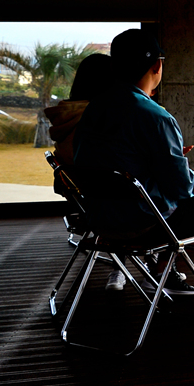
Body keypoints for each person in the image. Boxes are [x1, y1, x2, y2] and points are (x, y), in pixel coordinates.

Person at [73, 29, 194, 311]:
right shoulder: (155, 117)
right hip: (148, 227)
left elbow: (111, 165)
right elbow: (183, 189)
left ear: (114, 67)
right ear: (157, 65)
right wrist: (185, 171)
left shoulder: (93, 111)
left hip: (101, 224)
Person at [46, 53, 133, 292]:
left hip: (85, 202)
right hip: (112, 208)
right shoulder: (100, 120)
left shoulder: (68, 115)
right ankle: (159, 271)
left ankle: (127, 267)